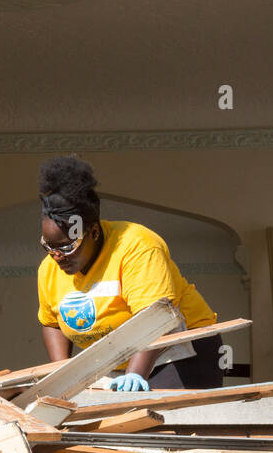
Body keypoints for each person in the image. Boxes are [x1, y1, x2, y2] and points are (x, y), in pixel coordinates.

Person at [35, 156, 222, 390]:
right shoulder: (49, 269)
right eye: (49, 246)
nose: (57, 255)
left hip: (178, 351)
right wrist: (63, 379)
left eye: (67, 246)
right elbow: (51, 323)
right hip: (117, 360)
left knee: (152, 419)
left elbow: (155, 318)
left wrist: (135, 374)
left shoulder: (138, 246)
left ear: (93, 232)